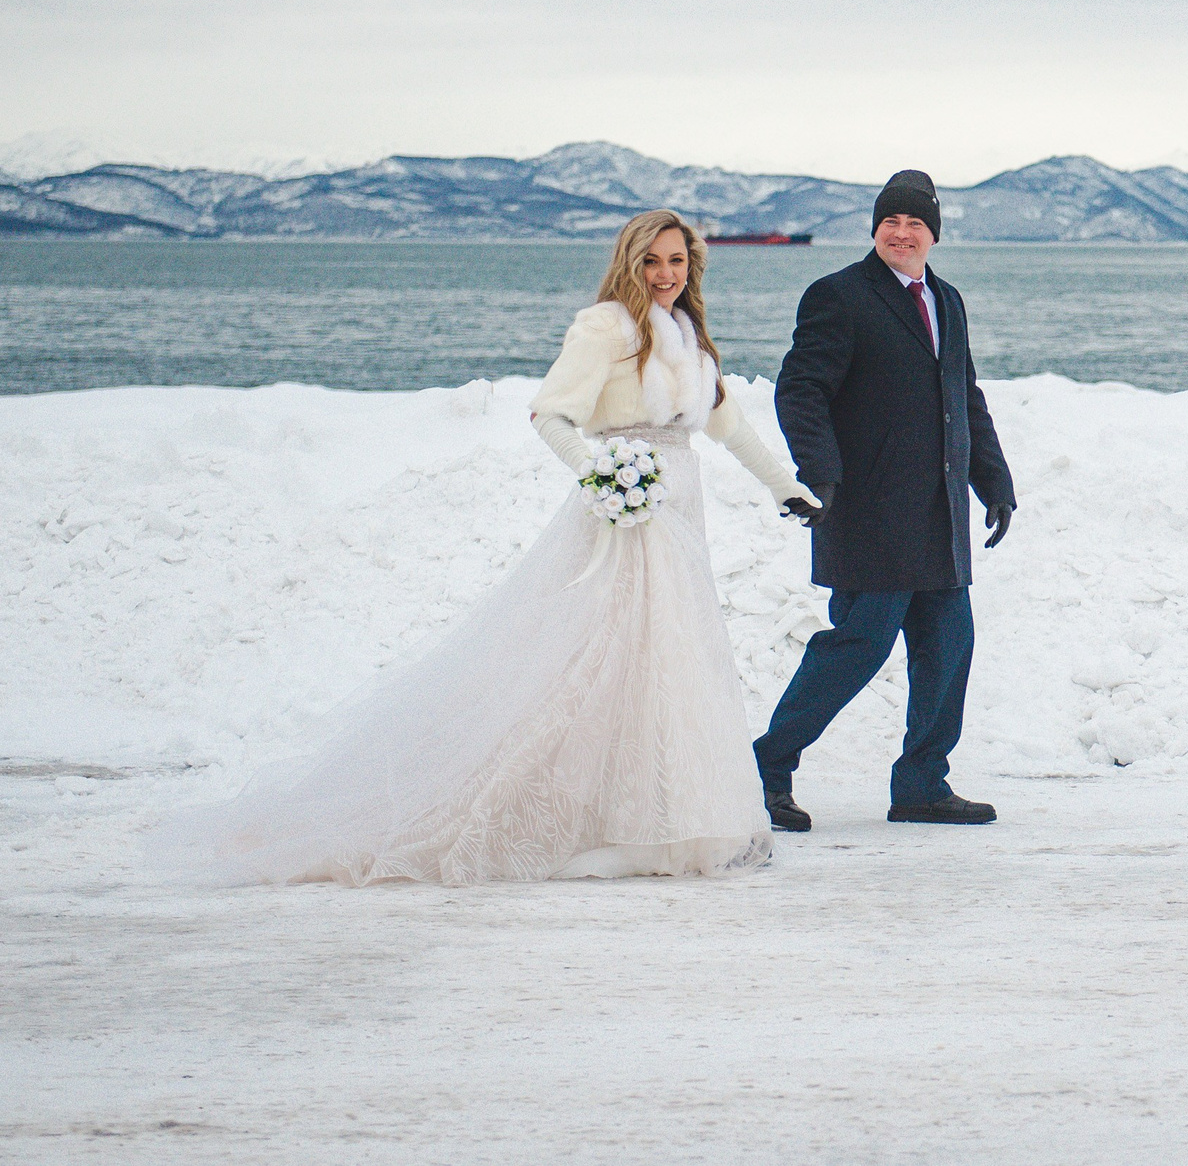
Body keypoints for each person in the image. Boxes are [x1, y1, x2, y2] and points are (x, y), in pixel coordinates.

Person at [155, 210, 820, 884]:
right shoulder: (606, 330)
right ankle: (582, 815)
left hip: (680, 511)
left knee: (670, 659)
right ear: (629, 262)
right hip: (627, 515)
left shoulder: (689, 337)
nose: (665, 274)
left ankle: (662, 808)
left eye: (677, 261)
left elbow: (728, 424)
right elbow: (549, 413)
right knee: (600, 660)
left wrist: (785, 487)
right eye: (652, 260)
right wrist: (603, 476)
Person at [754, 169, 1018, 830]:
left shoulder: (948, 301)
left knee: (949, 645)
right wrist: (819, 469)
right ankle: (764, 768)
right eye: (891, 222)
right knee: (859, 644)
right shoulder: (838, 296)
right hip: (869, 512)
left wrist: (993, 478)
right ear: (875, 228)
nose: (902, 233)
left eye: (916, 223)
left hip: (937, 517)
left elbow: (964, 396)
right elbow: (801, 389)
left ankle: (923, 783)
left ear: (934, 233)